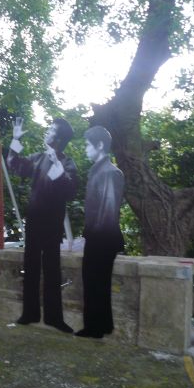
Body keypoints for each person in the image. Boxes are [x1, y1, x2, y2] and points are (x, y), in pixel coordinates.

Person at [7, 117, 78, 333]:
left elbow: (69, 190)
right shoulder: (38, 158)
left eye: (50, 130)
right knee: (30, 267)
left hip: (52, 223)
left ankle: (54, 318)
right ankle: (29, 313)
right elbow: (14, 165)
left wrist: (57, 165)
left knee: (51, 269)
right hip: (34, 221)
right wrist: (15, 140)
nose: (46, 132)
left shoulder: (67, 163)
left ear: (58, 138)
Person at [75, 126, 124, 339]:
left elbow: (108, 211)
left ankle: (95, 328)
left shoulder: (109, 173)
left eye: (87, 144)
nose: (85, 148)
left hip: (102, 239)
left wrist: (92, 238)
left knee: (95, 283)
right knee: (97, 283)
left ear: (100, 145)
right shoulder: (99, 171)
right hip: (99, 237)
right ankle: (102, 325)